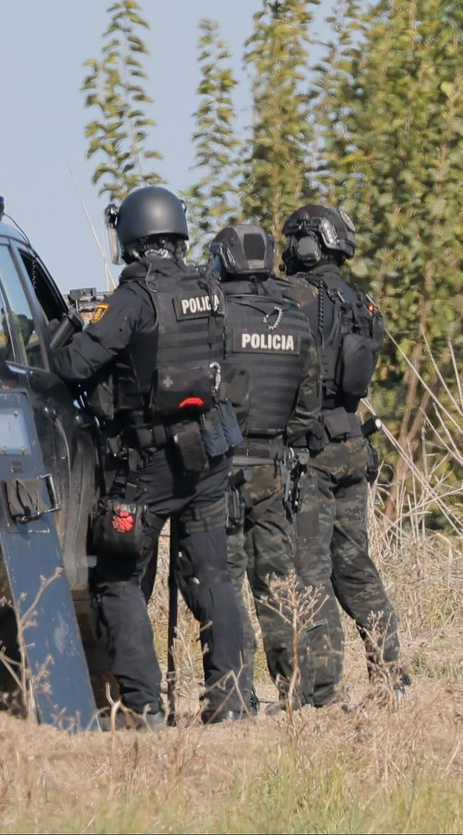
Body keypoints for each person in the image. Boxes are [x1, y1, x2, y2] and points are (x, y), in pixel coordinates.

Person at [54, 185, 249, 727]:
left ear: (133, 237)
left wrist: (73, 326)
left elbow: (73, 367)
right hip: (207, 456)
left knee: (118, 579)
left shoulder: (134, 298)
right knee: (211, 575)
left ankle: (144, 710)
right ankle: (230, 700)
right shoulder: (210, 288)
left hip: (146, 465)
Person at [279, 204, 408, 704]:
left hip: (310, 449)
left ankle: (323, 690)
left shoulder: (292, 297)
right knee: (355, 563)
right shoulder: (363, 304)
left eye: (292, 241)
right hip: (352, 442)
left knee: (310, 570)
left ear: (311, 244)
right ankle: (391, 672)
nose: (287, 251)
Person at [209, 225, 320, 711]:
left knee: (226, 585)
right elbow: (308, 410)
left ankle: (236, 694)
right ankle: (298, 692)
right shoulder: (295, 321)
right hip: (274, 471)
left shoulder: (214, 318)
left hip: (221, 471)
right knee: (277, 585)